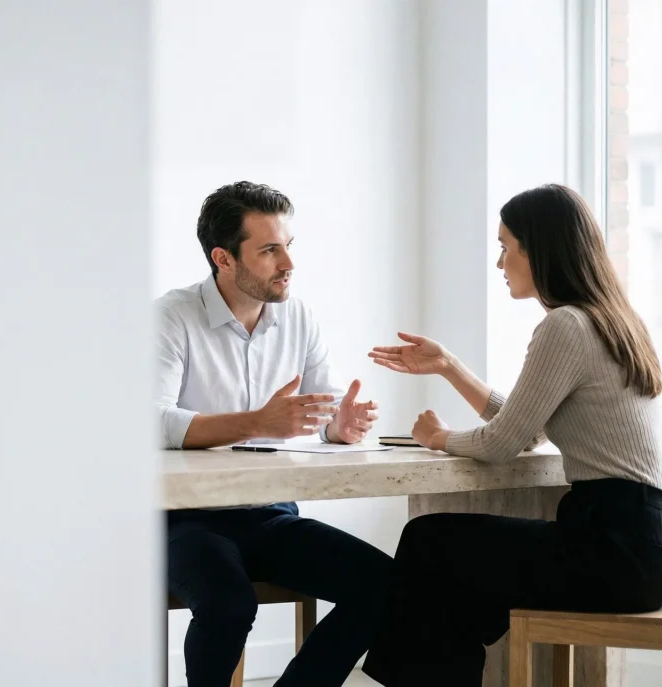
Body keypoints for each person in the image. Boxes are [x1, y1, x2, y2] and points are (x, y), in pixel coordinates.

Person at [362, 183, 662, 687]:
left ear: (537, 249)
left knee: (428, 542)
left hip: (610, 547)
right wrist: (450, 367)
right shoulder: (613, 321)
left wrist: (438, 437)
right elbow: (528, 430)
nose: (499, 263)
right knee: (450, 571)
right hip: (639, 544)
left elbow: (502, 444)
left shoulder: (564, 326)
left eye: (505, 247)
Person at [156, 181, 391, 687]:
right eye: (269, 249)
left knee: (385, 585)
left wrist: (338, 425)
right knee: (229, 604)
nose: (288, 262)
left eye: (288, 246)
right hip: (185, 521)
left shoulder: (298, 315)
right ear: (223, 257)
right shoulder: (172, 316)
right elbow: (153, 422)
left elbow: (317, 409)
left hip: (270, 514)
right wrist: (257, 422)